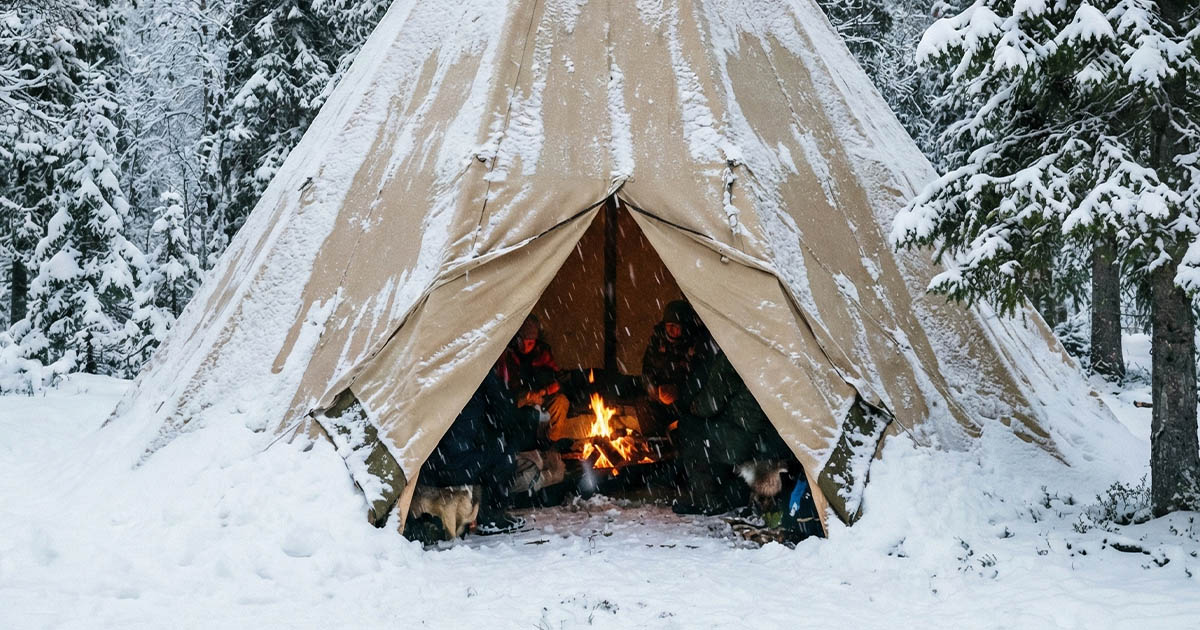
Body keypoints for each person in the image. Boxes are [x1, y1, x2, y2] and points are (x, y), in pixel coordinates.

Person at [672, 349, 792, 516]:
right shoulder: (764, 349)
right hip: (768, 436)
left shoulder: (732, 353)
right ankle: (727, 494)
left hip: (743, 434)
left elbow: (711, 402)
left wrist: (693, 407)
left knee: (690, 428)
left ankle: (707, 500)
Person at [420, 371, 538, 535]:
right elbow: (504, 413)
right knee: (504, 451)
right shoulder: (479, 371)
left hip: (426, 465)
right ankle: (492, 517)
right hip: (455, 464)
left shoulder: (436, 369)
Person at [641, 300, 714, 435]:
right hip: (660, 401)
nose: (675, 331)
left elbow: (702, 377)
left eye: (679, 327)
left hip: (686, 402)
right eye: (671, 326)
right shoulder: (658, 340)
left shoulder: (696, 342)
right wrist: (654, 389)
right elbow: (647, 370)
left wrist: (679, 390)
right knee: (647, 415)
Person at [496, 314, 570, 432]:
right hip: (518, 400)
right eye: (522, 342)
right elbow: (503, 388)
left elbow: (557, 381)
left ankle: (550, 438)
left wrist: (543, 391)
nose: (525, 348)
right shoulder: (508, 355)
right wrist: (526, 396)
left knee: (561, 402)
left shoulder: (542, 353)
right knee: (526, 413)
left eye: (530, 343)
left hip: (541, 397)